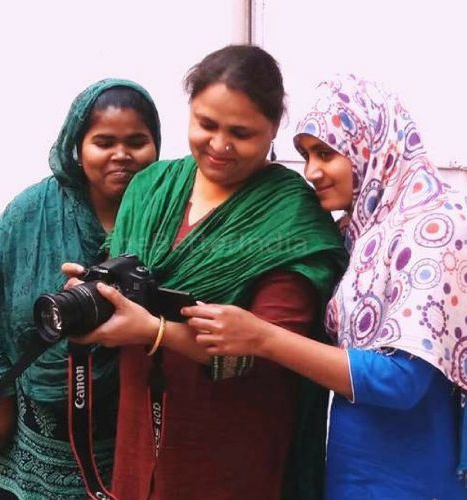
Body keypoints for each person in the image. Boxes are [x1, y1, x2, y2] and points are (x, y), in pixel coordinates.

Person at [64, 45, 346, 500]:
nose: (219, 145)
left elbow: (272, 349)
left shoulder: (288, 214)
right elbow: (120, 278)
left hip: (231, 440)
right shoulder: (152, 187)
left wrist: (155, 331)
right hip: (142, 422)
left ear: (273, 129)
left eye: (241, 132)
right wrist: (95, 298)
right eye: (206, 124)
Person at [182, 74, 467, 498]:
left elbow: (401, 381)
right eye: (305, 154)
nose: (312, 171)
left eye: (325, 154)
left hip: (409, 477)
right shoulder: (365, 229)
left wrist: (262, 337)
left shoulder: (434, 228)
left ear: (372, 145)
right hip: (359, 465)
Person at [0, 78, 161, 499]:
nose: (122, 155)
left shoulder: (167, 217)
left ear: (156, 145)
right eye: (104, 141)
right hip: (35, 443)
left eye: (137, 141)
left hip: (132, 434)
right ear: (78, 145)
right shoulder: (31, 213)